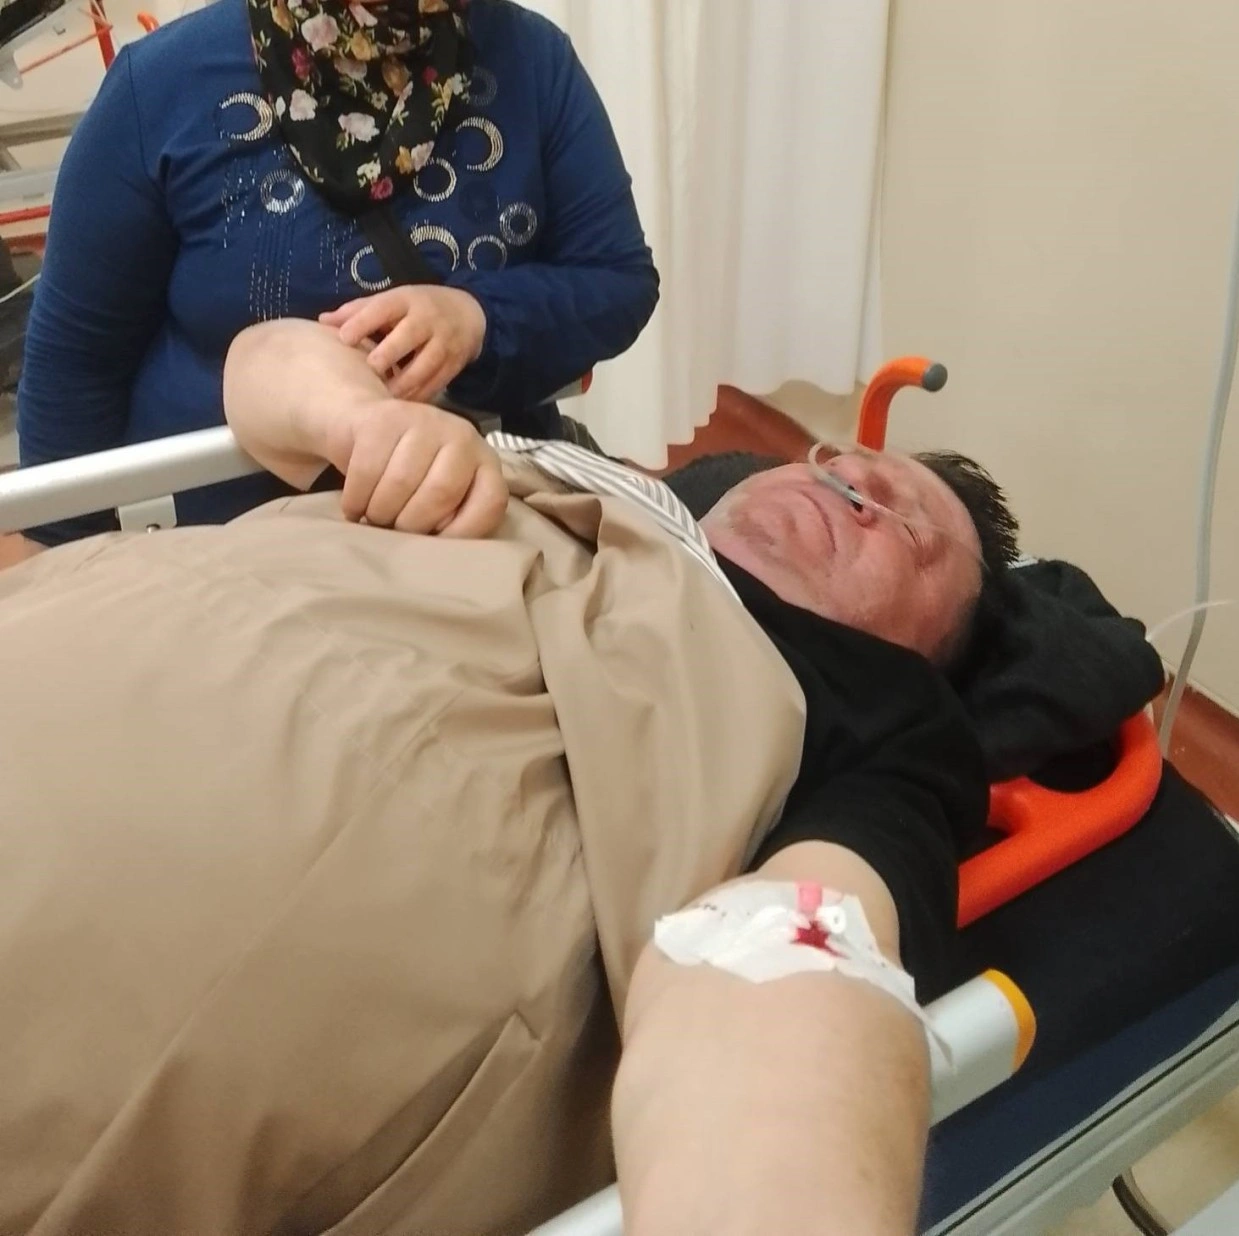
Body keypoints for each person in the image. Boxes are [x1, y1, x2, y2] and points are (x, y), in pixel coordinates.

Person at [0, 319, 1019, 1235]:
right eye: (836, 462)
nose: (848, 486)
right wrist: (363, 422)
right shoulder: (557, 469)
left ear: (933, 646)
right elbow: (261, 361)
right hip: (107, 634)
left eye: (907, 525)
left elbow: (796, 959)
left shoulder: (884, 719)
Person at [16, 0, 658, 547]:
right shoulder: (163, 86)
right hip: (227, 544)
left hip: (479, 522)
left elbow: (617, 279)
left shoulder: (531, 61)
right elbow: (72, 373)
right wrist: (77, 571)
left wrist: (477, 319)